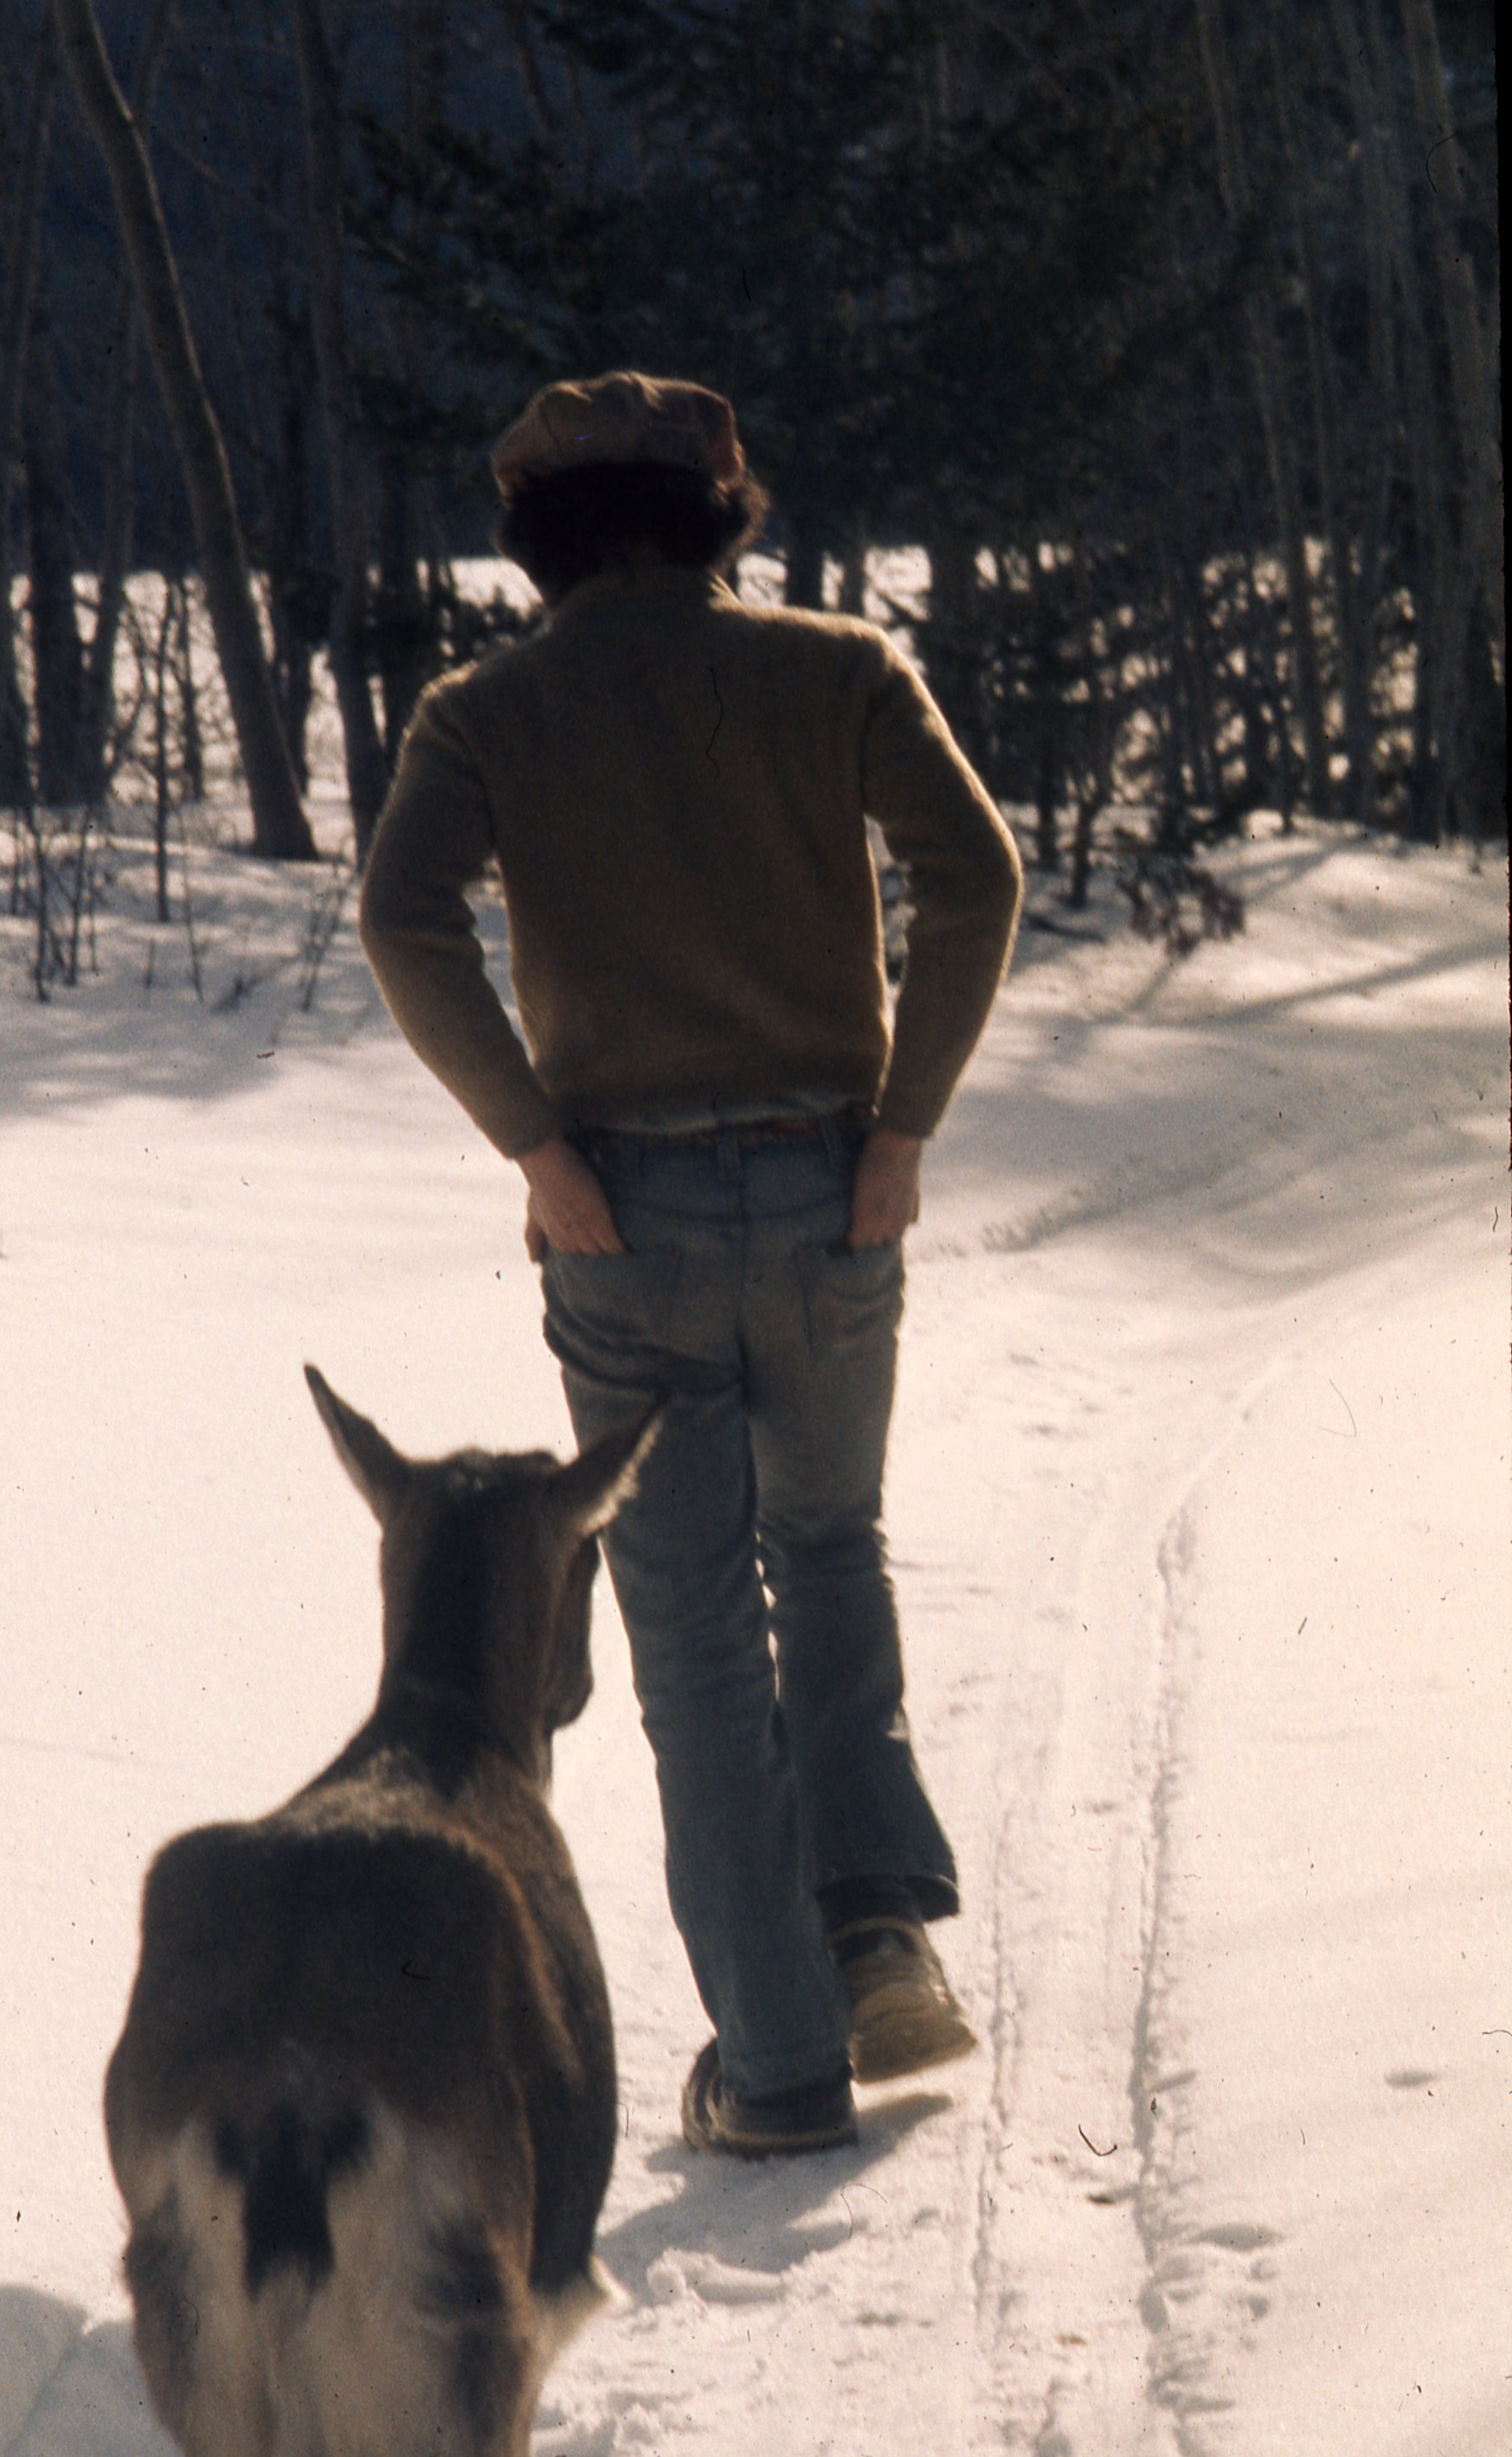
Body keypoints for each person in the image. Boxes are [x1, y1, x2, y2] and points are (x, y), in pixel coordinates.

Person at [359, 371, 1023, 2157]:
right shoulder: (838, 670)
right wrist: (903, 1127)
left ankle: (783, 2066)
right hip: (831, 1195)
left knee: (694, 1629)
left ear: (537, 531)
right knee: (830, 1545)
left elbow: (402, 919)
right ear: (720, 508)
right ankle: (876, 1937)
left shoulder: (485, 712)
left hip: (623, 1222)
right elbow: (977, 876)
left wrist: (534, 1144)